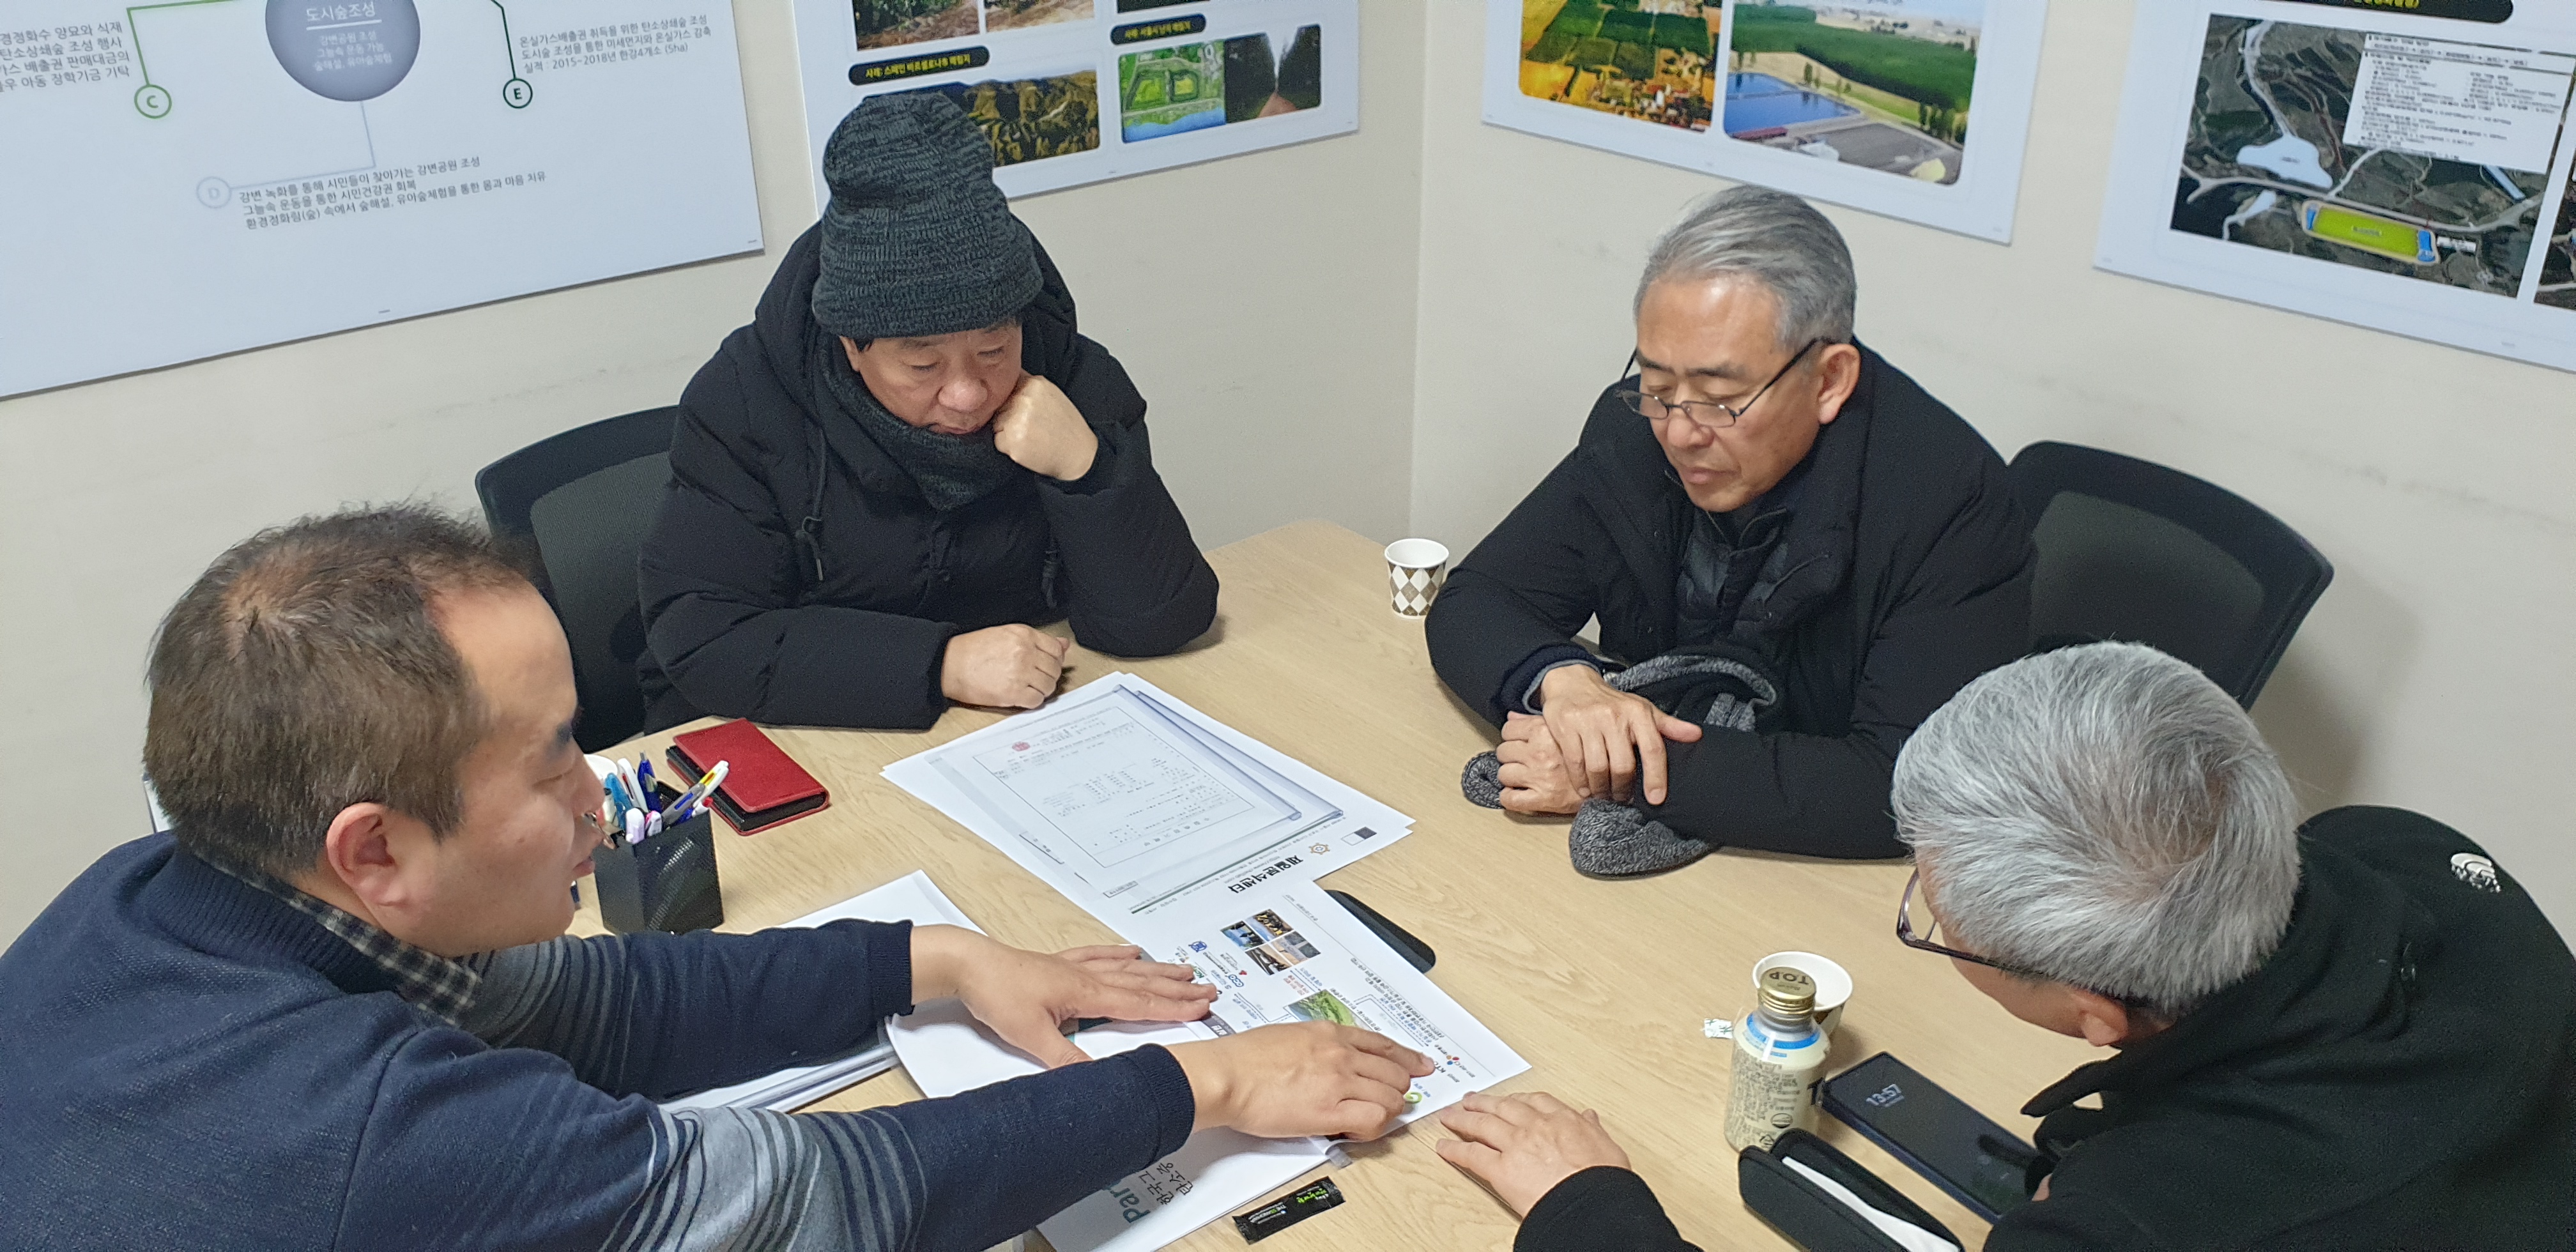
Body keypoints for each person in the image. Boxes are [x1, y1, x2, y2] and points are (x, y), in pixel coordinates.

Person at [0, 506, 1429, 1252]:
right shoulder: (380, 1134)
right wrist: (1204, 1083)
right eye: (554, 760)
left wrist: (930, 959)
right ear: (375, 848)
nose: (602, 794)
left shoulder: (163, 891)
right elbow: (833, 1200)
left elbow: (591, 1008)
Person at [1436, 643, 2576, 1250]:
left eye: (1934, 922)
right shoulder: (2406, 849)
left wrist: (1587, 1207)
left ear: (2094, 1017)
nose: (1924, 910)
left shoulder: (2138, 1219)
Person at [1427, 186, 2030, 873]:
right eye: (1658, 385)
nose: (1680, 432)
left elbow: (1901, 781)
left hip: (1812, 879)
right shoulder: (1635, 430)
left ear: (1830, 380)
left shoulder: (1951, 500)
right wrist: (1566, 686)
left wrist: (1621, 767)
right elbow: (1480, 598)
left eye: (1720, 400)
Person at [638, 93, 1218, 733]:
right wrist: (939, 664)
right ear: (851, 345)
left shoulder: (1070, 375)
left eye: (993, 350)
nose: (967, 394)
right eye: (923, 366)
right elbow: (705, 637)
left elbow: (1162, 621)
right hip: (807, 733)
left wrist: (1088, 471)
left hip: (1015, 727)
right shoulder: (746, 401)